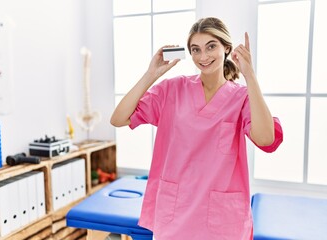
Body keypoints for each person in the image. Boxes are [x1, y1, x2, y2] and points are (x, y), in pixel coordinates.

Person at [110, 17, 283, 240]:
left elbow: (266, 138)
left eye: (211, 46)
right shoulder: (172, 89)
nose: (203, 56)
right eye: (195, 49)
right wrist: (151, 74)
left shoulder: (242, 97)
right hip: (175, 212)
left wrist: (250, 76)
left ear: (226, 48)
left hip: (222, 219)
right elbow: (118, 119)